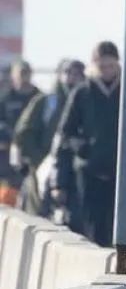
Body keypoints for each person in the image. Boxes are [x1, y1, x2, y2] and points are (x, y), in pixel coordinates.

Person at [52, 41, 126, 247]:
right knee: (94, 229)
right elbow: (65, 133)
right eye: (102, 66)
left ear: (118, 65)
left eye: (110, 66)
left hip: (122, 175)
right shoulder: (82, 93)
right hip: (90, 174)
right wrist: (82, 149)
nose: (106, 71)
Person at [12, 59, 84, 215]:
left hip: (77, 174)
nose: (72, 77)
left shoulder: (86, 103)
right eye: (67, 72)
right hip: (41, 172)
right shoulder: (46, 103)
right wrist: (40, 160)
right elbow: (23, 133)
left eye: (77, 74)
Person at [0, 58, 40, 136]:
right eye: (21, 72)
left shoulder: (39, 97)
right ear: (13, 75)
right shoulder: (5, 98)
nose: (24, 76)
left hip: (32, 142)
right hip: (9, 141)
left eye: (26, 72)